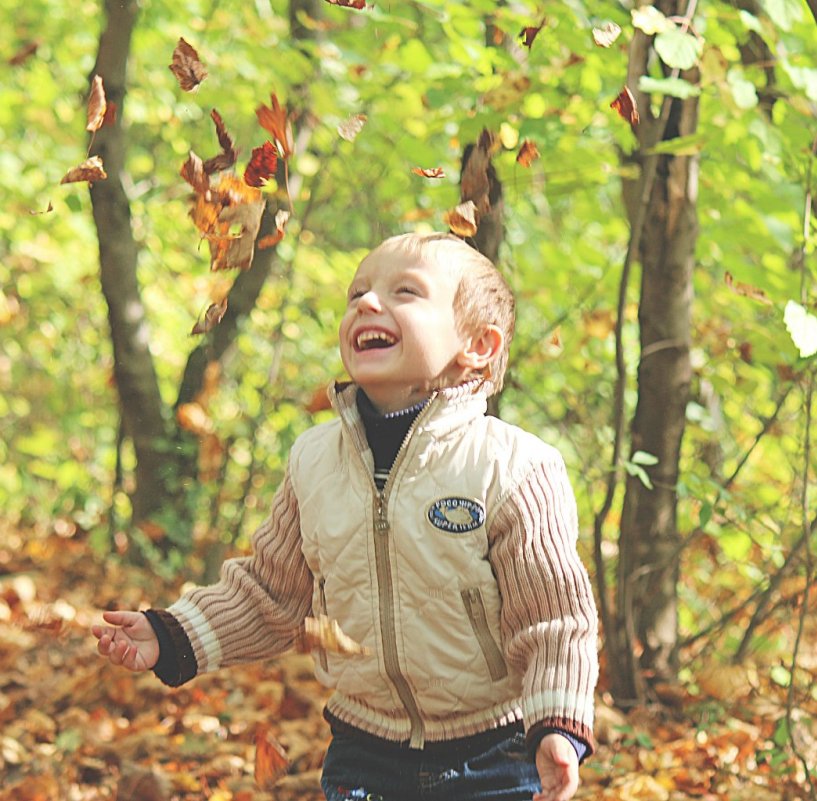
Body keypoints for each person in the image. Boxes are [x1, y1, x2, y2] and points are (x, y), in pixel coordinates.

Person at [92, 232, 599, 801]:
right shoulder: (314, 462)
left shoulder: (513, 467)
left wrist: (557, 723)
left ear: (477, 345)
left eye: (405, 292)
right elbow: (270, 594)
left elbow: (554, 619)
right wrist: (172, 633)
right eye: (357, 292)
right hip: (364, 749)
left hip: (493, 750)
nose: (367, 303)